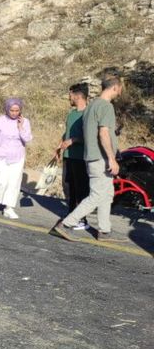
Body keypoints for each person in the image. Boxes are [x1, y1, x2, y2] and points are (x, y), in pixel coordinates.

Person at [51, 75, 126, 242]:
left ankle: (104, 231)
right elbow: (103, 133)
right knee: (97, 195)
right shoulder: (106, 106)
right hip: (100, 158)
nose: (120, 92)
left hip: (91, 157)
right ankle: (66, 224)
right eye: (120, 88)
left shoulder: (91, 106)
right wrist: (112, 159)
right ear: (114, 87)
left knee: (107, 194)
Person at [0, 98, 33, 219]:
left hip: (17, 156)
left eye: (17, 110)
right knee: (1, 182)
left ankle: (9, 208)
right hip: (0, 155)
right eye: (12, 110)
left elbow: (27, 139)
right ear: (7, 109)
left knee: (14, 183)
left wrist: (21, 127)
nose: (14, 113)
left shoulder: (25, 122)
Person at [55, 83, 90, 230]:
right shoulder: (71, 114)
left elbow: (90, 136)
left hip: (81, 157)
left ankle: (83, 220)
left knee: (81, 189)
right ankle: (71, 215)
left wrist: (73, 140)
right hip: (68, 156)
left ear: (77, 95)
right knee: (68, 186)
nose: (69, 97)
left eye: (70, 95)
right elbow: (67, 133)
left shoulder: (88, 114)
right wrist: (59, 145)